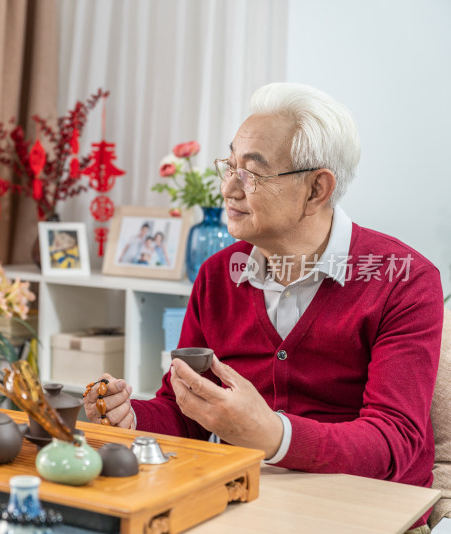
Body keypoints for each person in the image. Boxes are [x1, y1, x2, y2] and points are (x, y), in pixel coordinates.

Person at [84, 82, 443, 532]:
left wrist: (272, 435)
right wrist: (131, 416)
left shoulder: (403, 279)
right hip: (239, 500)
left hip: (367, 511)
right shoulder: (219, 274)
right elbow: (185, 410)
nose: (230, 188)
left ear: (317, 189)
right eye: (229, 165)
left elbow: (394, 441)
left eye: (252, 172)